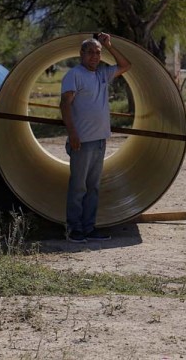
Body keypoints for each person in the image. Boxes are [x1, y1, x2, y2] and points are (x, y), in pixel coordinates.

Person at [59, 33, 131, 243]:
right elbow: (65, 105)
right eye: (90, 52)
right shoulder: (74, 75)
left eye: (98, 53)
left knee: (93, 187)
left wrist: (109, 45)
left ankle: (89, 228)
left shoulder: (102, 74)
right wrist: (73, 134)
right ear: (81, 54)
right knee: (78, 187)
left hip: (100, 141)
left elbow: (126, 65)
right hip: (82, 142)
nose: (94, 56)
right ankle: (74, 229)